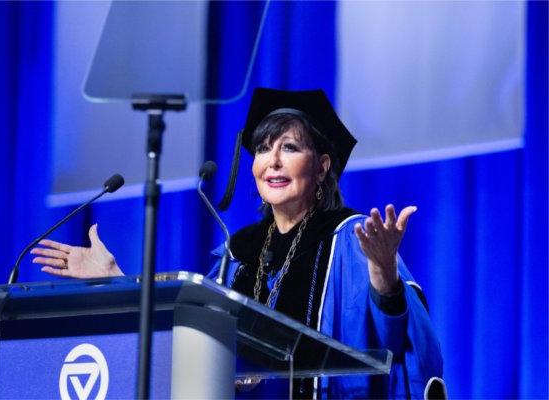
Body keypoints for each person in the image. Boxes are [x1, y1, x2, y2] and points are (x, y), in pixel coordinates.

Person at [32, 88, 443, 399]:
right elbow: (189, 328)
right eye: (263, 149)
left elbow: (398, 347)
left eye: (290, 148)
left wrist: (384, 275)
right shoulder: (237, 255)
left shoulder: (350, 240)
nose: (273, 161)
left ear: (321, 166)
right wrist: (118, 279)